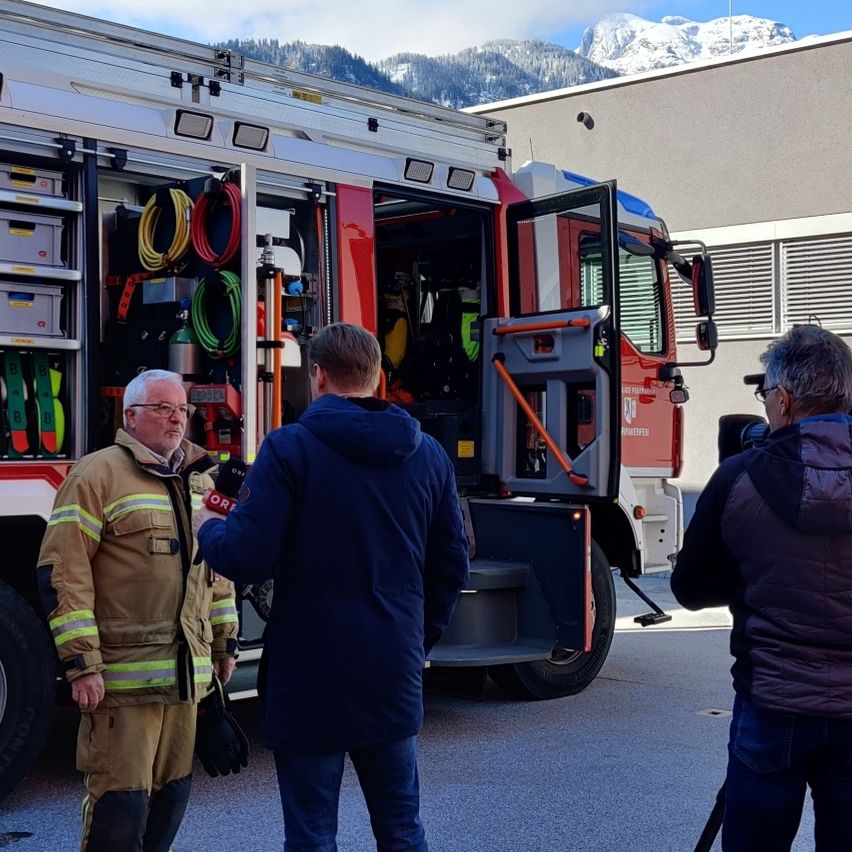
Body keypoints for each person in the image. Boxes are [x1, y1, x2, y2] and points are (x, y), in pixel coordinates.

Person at [194, 322, 469, 852]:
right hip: (391, 669)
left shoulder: (289, 449)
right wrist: (414, 643)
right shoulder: (428, 454)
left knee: (312, 836)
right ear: (377, 377)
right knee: (402, 830)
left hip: (309, 676)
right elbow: (450, 567)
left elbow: (247, 559)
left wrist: (209, 526)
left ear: (317, 375)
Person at [37, 369, 239, 852]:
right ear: (131, 416)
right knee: (120, 812)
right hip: (123, 685)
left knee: (170, 804)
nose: (176, 419)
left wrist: (224, 643)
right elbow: (64, 572)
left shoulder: (201, 479)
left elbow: (219, 567)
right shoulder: (96, 475)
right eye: (162, 408)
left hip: (186, 680)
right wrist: (82, 664)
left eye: (182, 409)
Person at [671, 324, 852, 852]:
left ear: (786, 399)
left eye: (766, 396)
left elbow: (689, 590)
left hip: (771, 705)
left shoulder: (737, 479)